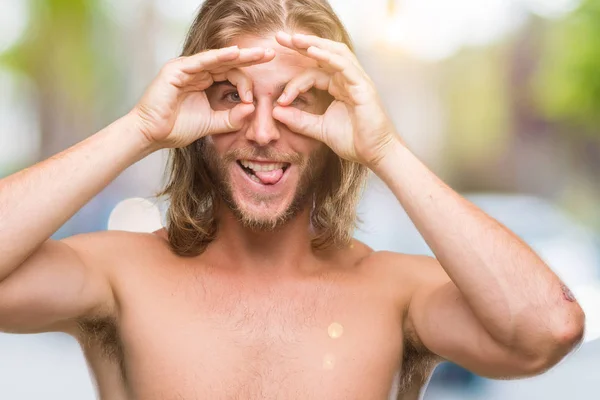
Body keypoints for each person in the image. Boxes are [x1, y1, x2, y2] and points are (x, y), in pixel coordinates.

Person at [0, 0, 585, 399]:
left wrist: (383, 148)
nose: (260, 130)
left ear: (338, 113)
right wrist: (141, 127)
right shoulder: (119, 276)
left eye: (296, 101)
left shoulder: (396, 294)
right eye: (231, 96)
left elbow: (548, 328)